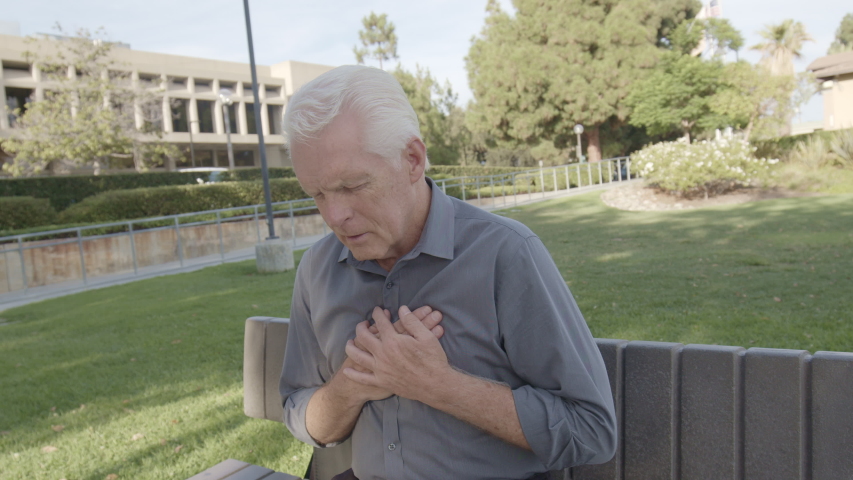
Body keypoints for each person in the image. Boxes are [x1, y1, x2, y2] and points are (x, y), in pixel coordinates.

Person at [279, 65, 616, 480]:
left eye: (352, 186)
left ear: (412, 160)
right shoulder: (317, 269)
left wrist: (438, 385)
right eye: (317, 193)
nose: (334, 215)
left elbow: (591, 430)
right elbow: (298, 411)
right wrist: (353, 384)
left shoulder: (504, 253)